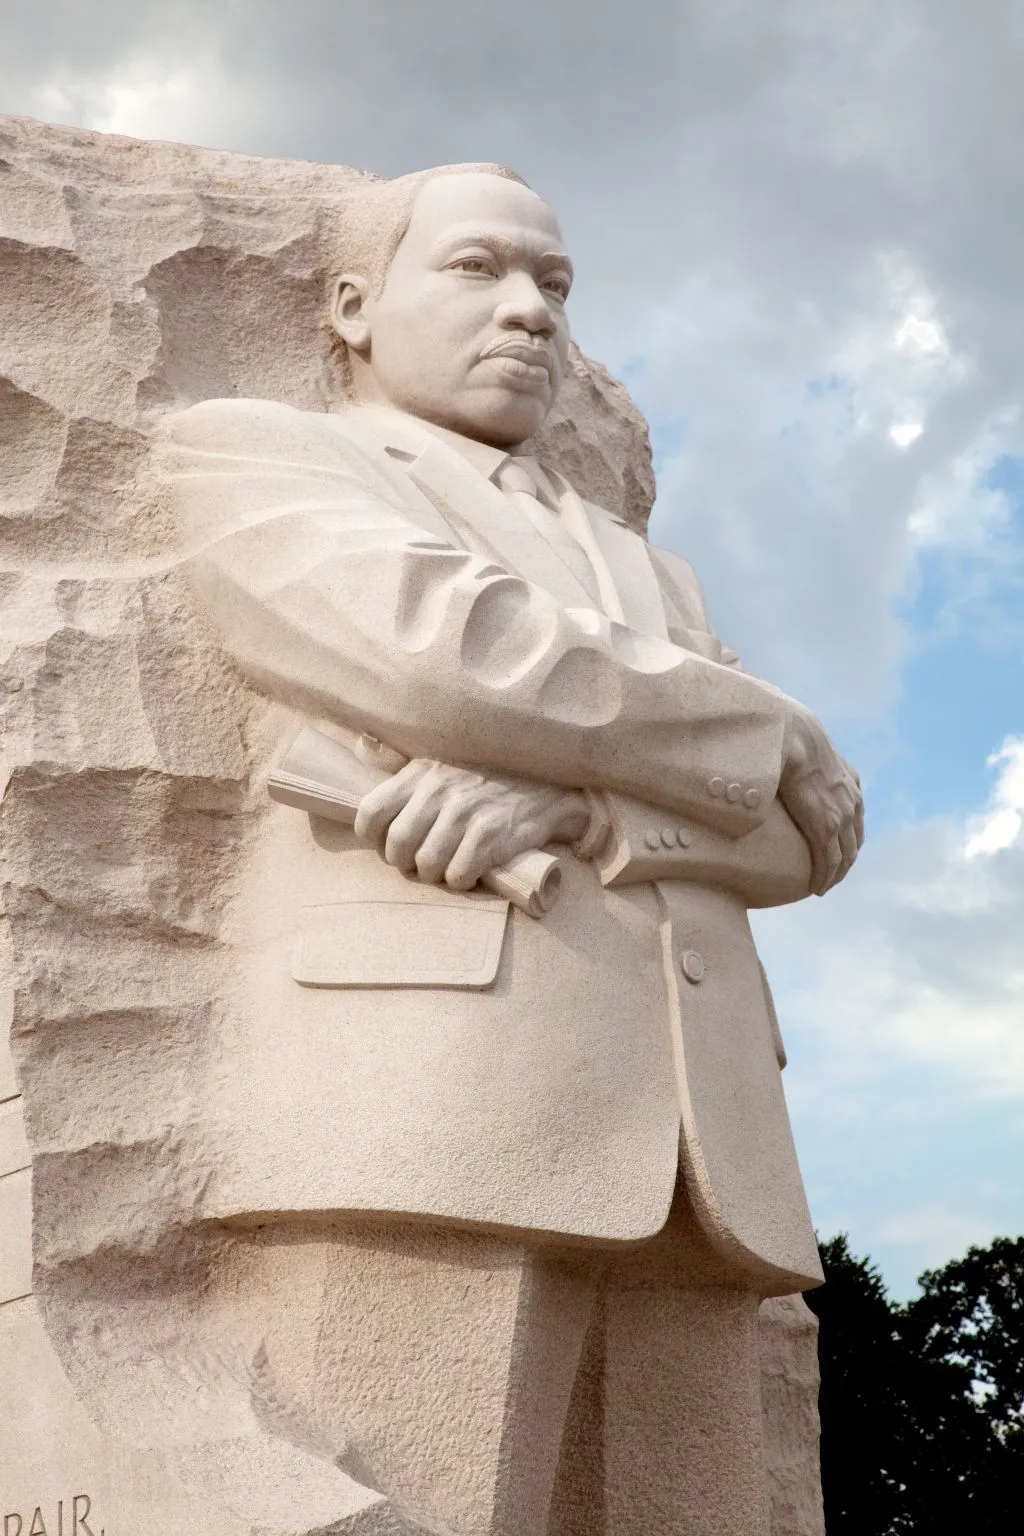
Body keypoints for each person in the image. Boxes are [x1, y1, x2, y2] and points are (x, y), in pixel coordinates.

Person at [160, 163, 862, 1536]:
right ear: (355, 309)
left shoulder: (651, 575)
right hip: (431, 1114)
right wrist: (769, 720)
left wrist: (584, 809)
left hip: (701, 1160)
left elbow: (799, 845)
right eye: (479, 270)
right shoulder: (261, 452)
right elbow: (451, 651)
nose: (531, 311)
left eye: (554, 283)